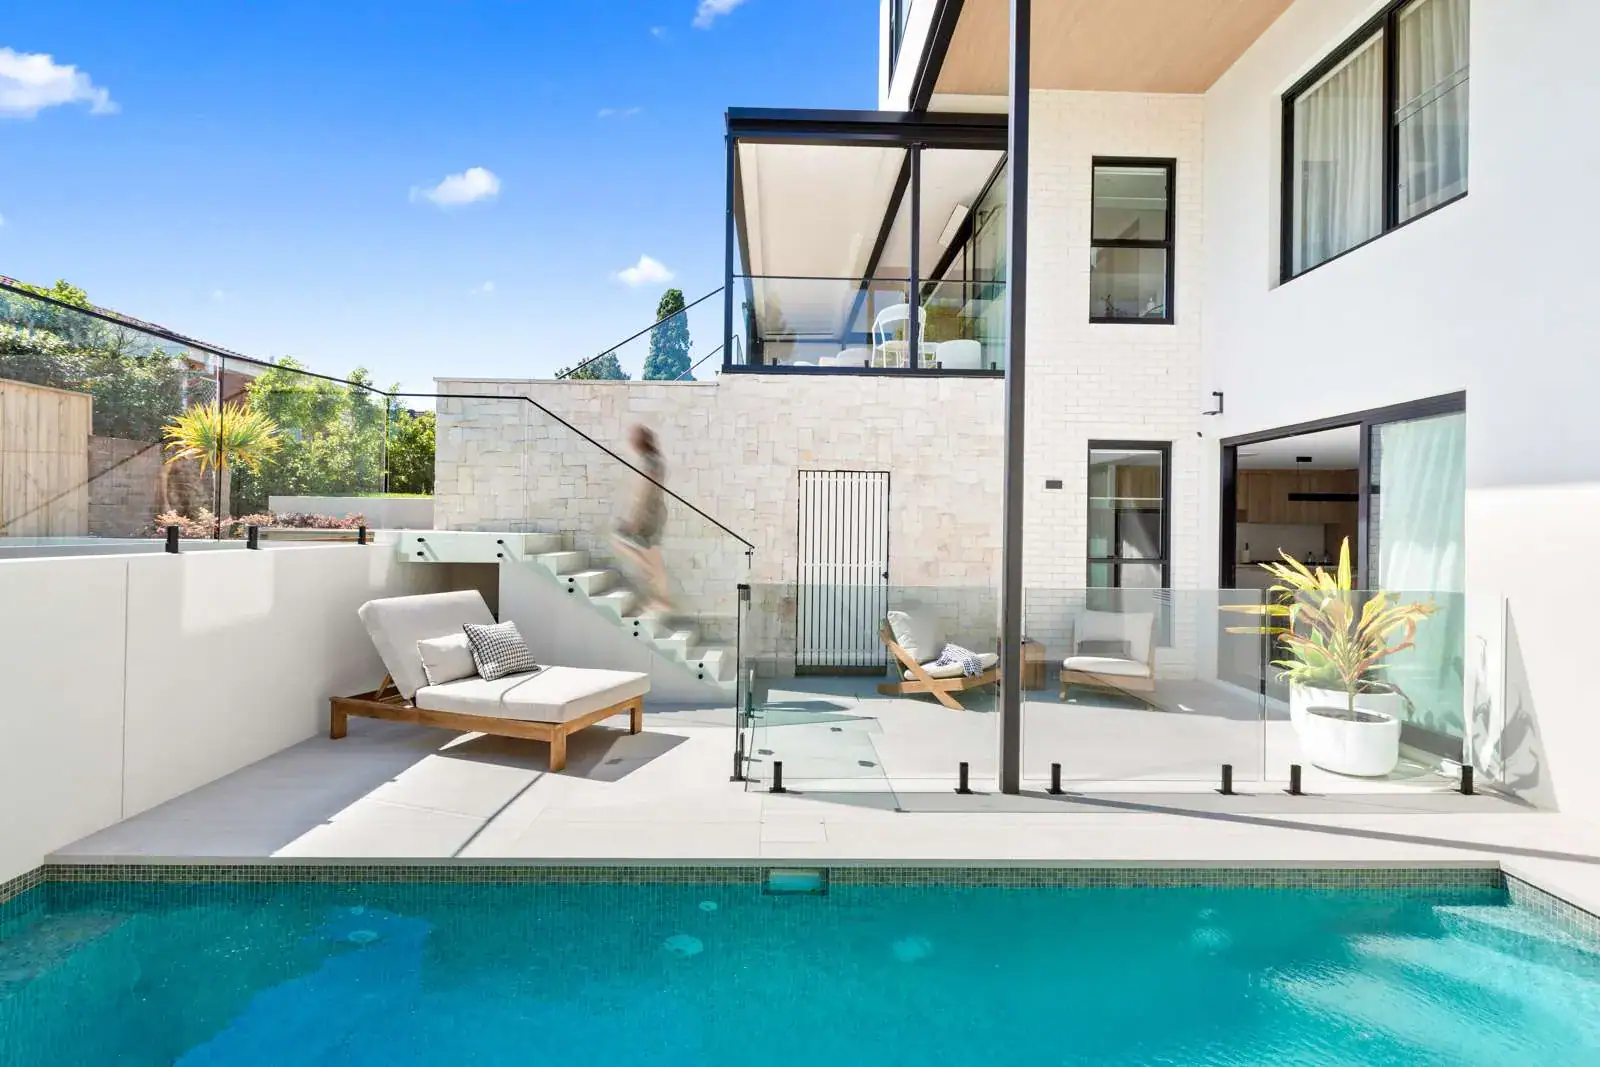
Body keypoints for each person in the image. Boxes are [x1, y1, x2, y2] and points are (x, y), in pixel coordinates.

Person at [613, 424, 671, 616]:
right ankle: (661, 600)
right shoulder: (656, 460)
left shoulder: (650, 462)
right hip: (656, 514)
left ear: (641, 441)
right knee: (655, 558)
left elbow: (645, 493)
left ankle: (650, 577)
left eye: (634, 437)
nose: (631, 441)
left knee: (619, 540)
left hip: (648, 517)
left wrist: (635, 521)